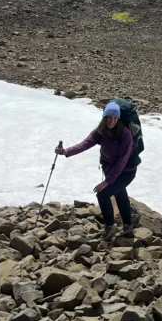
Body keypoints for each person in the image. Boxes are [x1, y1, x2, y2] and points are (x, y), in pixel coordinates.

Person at [55, 101, 137, 240]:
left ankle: (110, 228)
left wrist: (107, 182)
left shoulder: (125, 134)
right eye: (109, 117)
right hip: (110, 168)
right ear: (104, 117)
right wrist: (65, 151)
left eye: (115, 118)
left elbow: (123, 160)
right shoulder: (101, 131)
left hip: (126, 171)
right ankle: (128, 229)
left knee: (103, 194)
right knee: (120, 195)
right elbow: (84, 144)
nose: (112, 121)